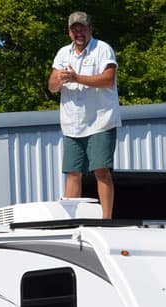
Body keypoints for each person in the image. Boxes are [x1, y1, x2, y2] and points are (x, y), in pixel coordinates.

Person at [48, 11, 121, 219]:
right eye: (74, 29)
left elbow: (108, 79)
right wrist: (60, 79)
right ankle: (72, 219)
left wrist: (76, 77)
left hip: (100, 121)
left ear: (90, 29)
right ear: (69, 32)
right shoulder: (63, 54)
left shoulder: (102, 49)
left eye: (82, 27)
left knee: (101, 171)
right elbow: (52, 86)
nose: (78, 32)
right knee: (72, 173)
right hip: (72, 123)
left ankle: (106, 219)